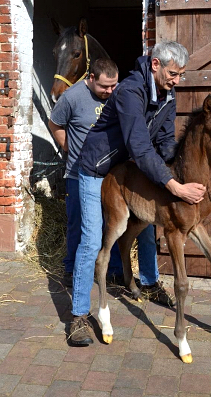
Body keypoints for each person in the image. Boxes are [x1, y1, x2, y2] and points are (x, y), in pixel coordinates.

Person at [70, 41, 206, 345]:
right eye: (173, 73)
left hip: (128, 165)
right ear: (156, 65)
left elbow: (166, 142)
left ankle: (148, 282)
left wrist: (183, 170)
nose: (177, 80)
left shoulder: (168, 93)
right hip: (97, 167)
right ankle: (79, 316)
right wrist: (174, 186)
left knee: (147, 224)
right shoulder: (131, 91)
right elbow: (140, 146)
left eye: (182, 75)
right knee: (92, 239)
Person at [48, 58, 165, 299]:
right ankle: (72, 270)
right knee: (78, 224)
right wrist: (70, 149)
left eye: (114, 86)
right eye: (104, 87)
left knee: (109, 224)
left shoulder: (120, 95)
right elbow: (55, 123)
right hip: (79, 171)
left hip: (111, 173)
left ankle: (113, 272)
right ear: (90, 78)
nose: (110, 91)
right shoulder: (72, 97)